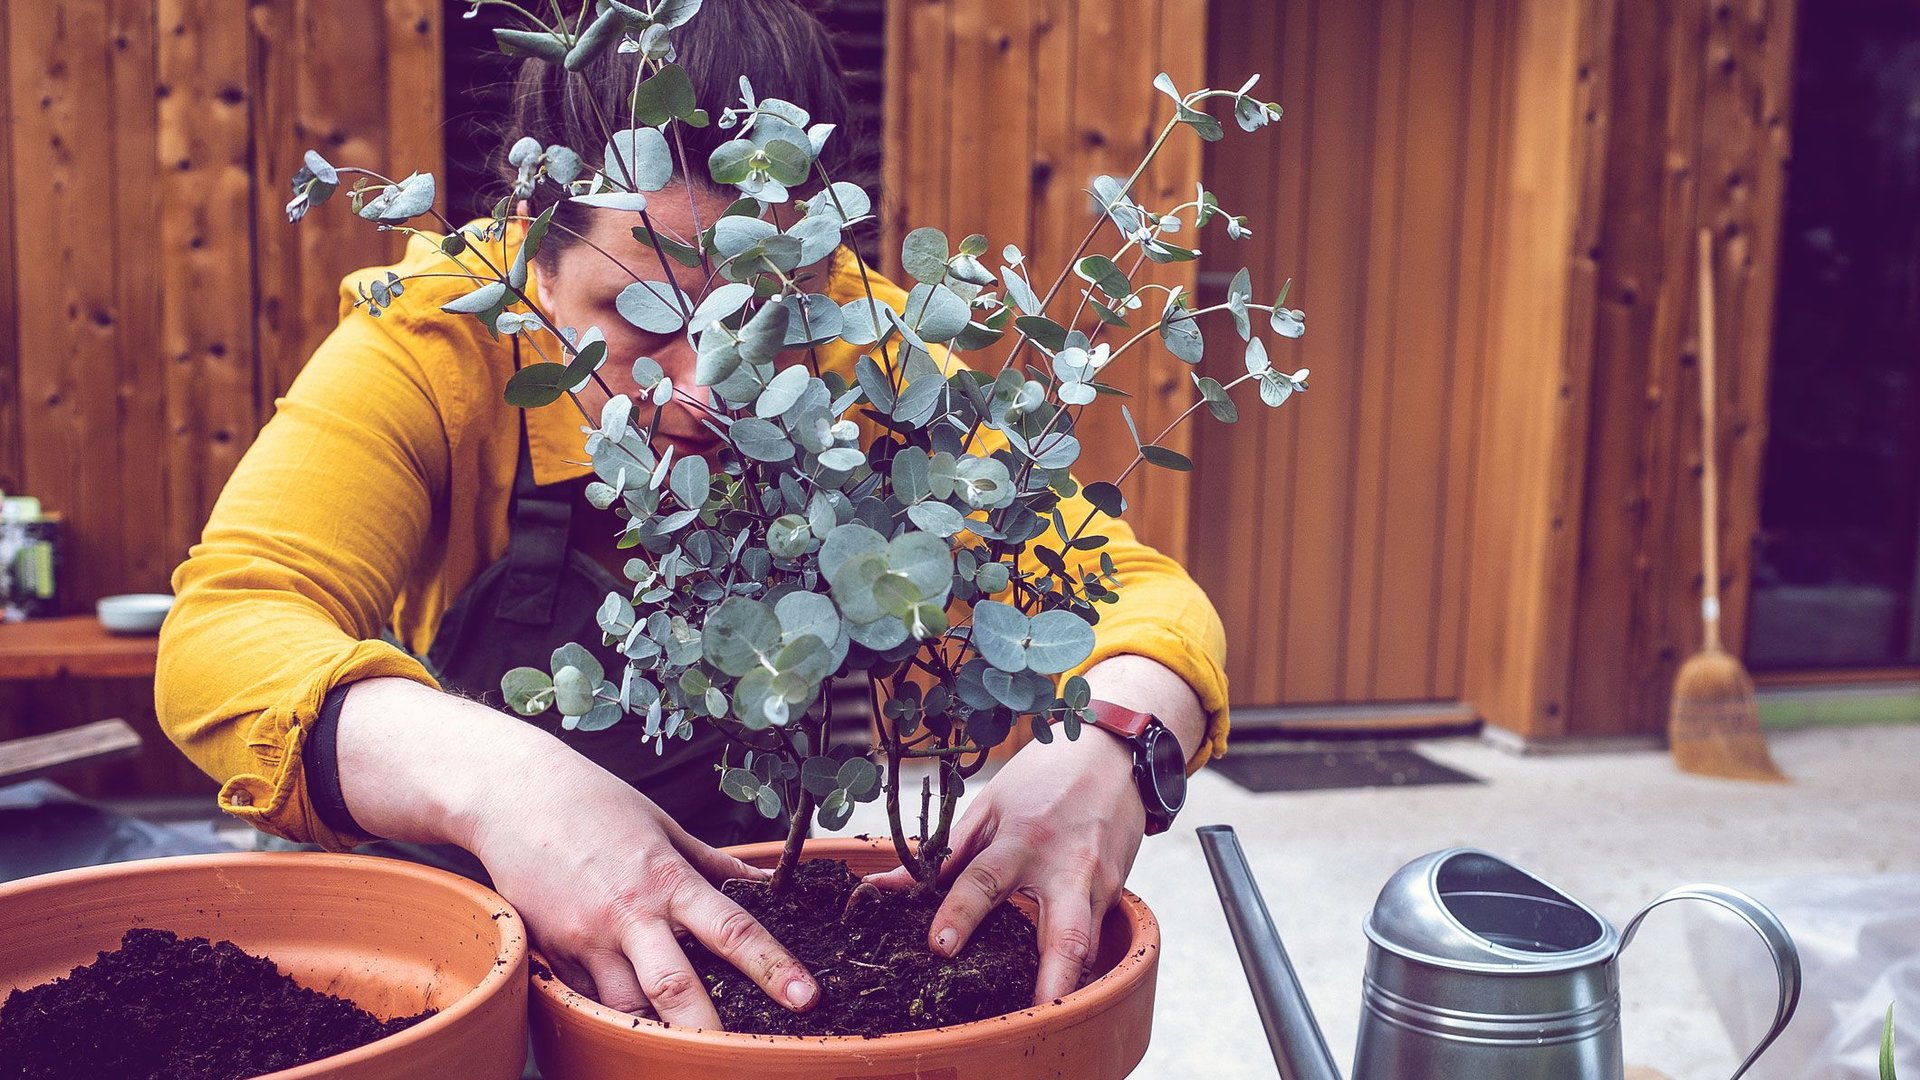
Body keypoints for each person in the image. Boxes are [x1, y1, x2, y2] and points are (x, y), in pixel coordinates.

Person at [156, 0, 1229, 1033]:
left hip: (742, 939)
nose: (701, 388)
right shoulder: (441, 340)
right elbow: (228, 631)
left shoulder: (869, 353)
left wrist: (1113, 744)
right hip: (455, 943)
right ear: (529, 248)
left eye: (759, 321)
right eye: (638, 320)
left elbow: (1136, 598)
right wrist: (509, 784)